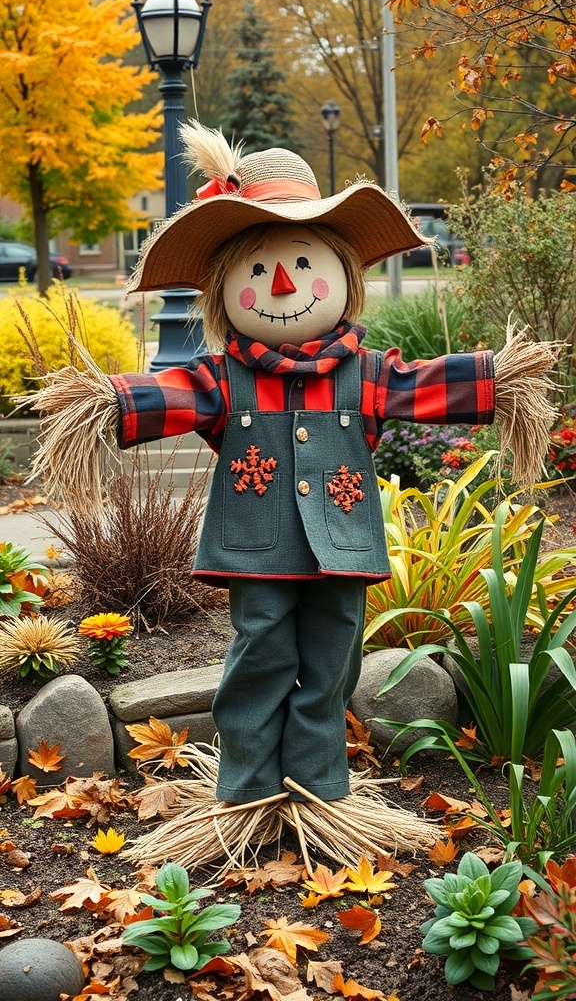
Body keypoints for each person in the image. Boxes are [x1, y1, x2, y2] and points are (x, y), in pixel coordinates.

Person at [27, 122, 558, 859]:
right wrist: (102, 404)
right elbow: (161, 394)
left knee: (333, 659)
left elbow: (428, 386)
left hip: (345, 545)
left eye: (303, 263)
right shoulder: (223, 378)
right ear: (223, 294)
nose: (281, 285)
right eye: (258, 271)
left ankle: (317, 790)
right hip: (256, 548)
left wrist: (503, 380)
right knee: (261, 653)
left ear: (342, 274)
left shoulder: (367, 372)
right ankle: (246, 794)